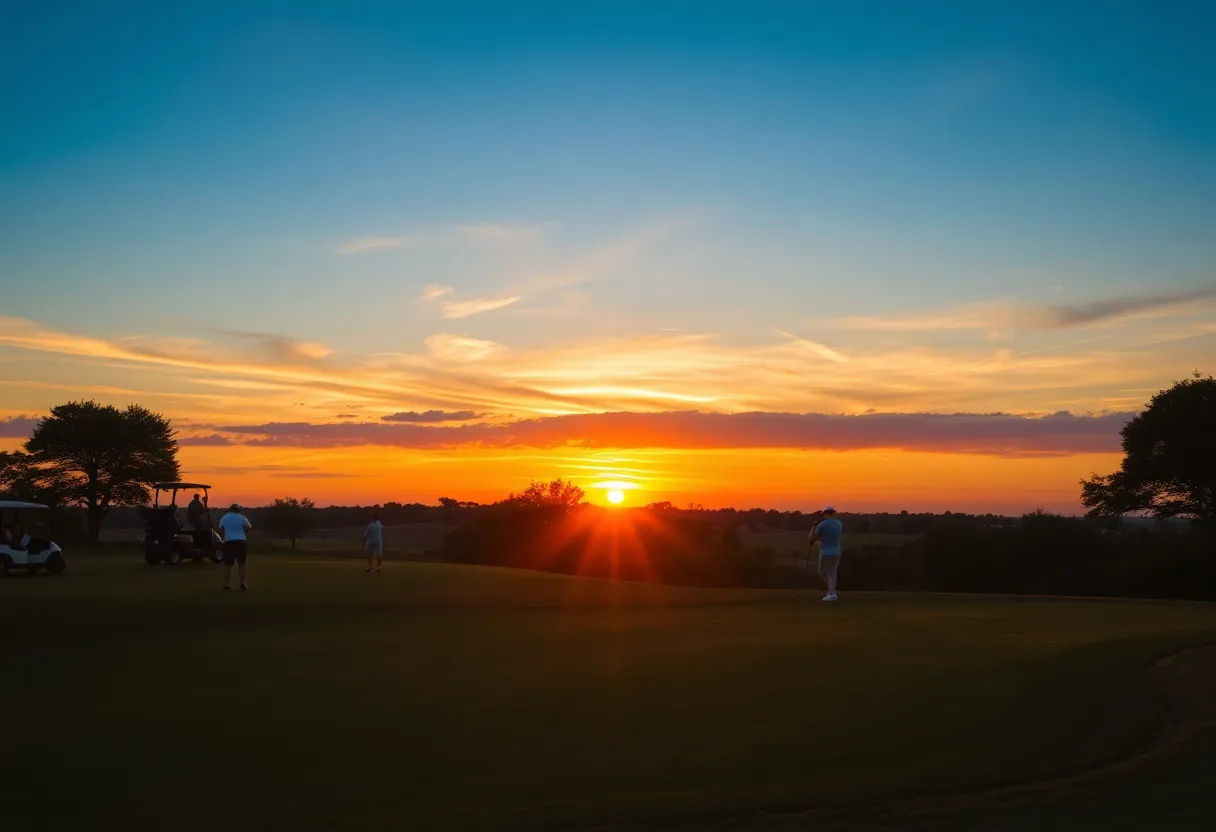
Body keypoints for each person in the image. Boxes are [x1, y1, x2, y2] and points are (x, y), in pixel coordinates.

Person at [810, 506, 843, 602]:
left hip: (826, 552)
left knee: (823, 571)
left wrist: (813, 527)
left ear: (827, 514)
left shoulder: (823, 525)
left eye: (825, 514)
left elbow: (813, 538)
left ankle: (832, 592)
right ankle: (832, 593)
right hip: (836, 551)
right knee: (832, 573)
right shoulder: (839, 524)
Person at [217, 503, 252, 591]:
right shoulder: (241, 517)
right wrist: (244, 531)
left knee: (227, 564)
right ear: (238, 510)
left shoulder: (224, 517)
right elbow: (248, 527)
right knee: (241, 563)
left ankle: (227, 584)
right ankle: (242, 583)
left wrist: (224, 536)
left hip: (228, 542)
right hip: (240, 541)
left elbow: (221, 528)